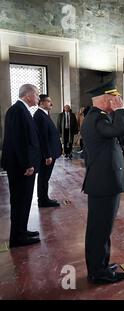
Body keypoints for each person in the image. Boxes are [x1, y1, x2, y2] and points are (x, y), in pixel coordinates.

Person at [81, 80, 124, 284]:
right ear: (105, 99)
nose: (118, 100)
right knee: (100, 229)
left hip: (103, 181)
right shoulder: (97, 119)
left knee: (101, 228)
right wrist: (121, 110)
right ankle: (98, 273)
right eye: (115, 98)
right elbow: (119, 131)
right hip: (103, 182)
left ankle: (100, 265)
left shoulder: (97, 117)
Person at [1, 84, 41, 248]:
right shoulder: (17, 110)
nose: (38, 98)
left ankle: (22, 231)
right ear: (28, 95)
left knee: (24, 200)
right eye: (37, 95)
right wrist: (28, 164)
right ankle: (17, 237)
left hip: (22, 165)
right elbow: (19, 141)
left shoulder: (21, 110)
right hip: (21, 167)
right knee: (20, 200)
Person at [33, 94, 62, 208]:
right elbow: (43, 138)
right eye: (49, 101)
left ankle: (44, 198)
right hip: (47, 154)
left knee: (45, 177)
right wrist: (47, 155)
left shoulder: (44, 114)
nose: (51, 104)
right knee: (44, 177)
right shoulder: (40, 116)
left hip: (50, 152)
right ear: (41, 103)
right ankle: (43, 200)